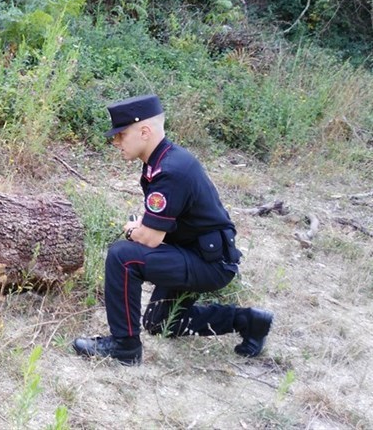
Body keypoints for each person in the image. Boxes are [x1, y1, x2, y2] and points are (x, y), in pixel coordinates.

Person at [72, 94, 273, 365]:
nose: (115, 142)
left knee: (122, 255)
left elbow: (149, 238)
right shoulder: (163, 160)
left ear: (144, 131)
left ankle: (125, 347)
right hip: (198, 254)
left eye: (121, 135)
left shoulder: (170, 170)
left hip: (208, 262)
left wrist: (133, 230)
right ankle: (248, 321)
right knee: (161, 322)